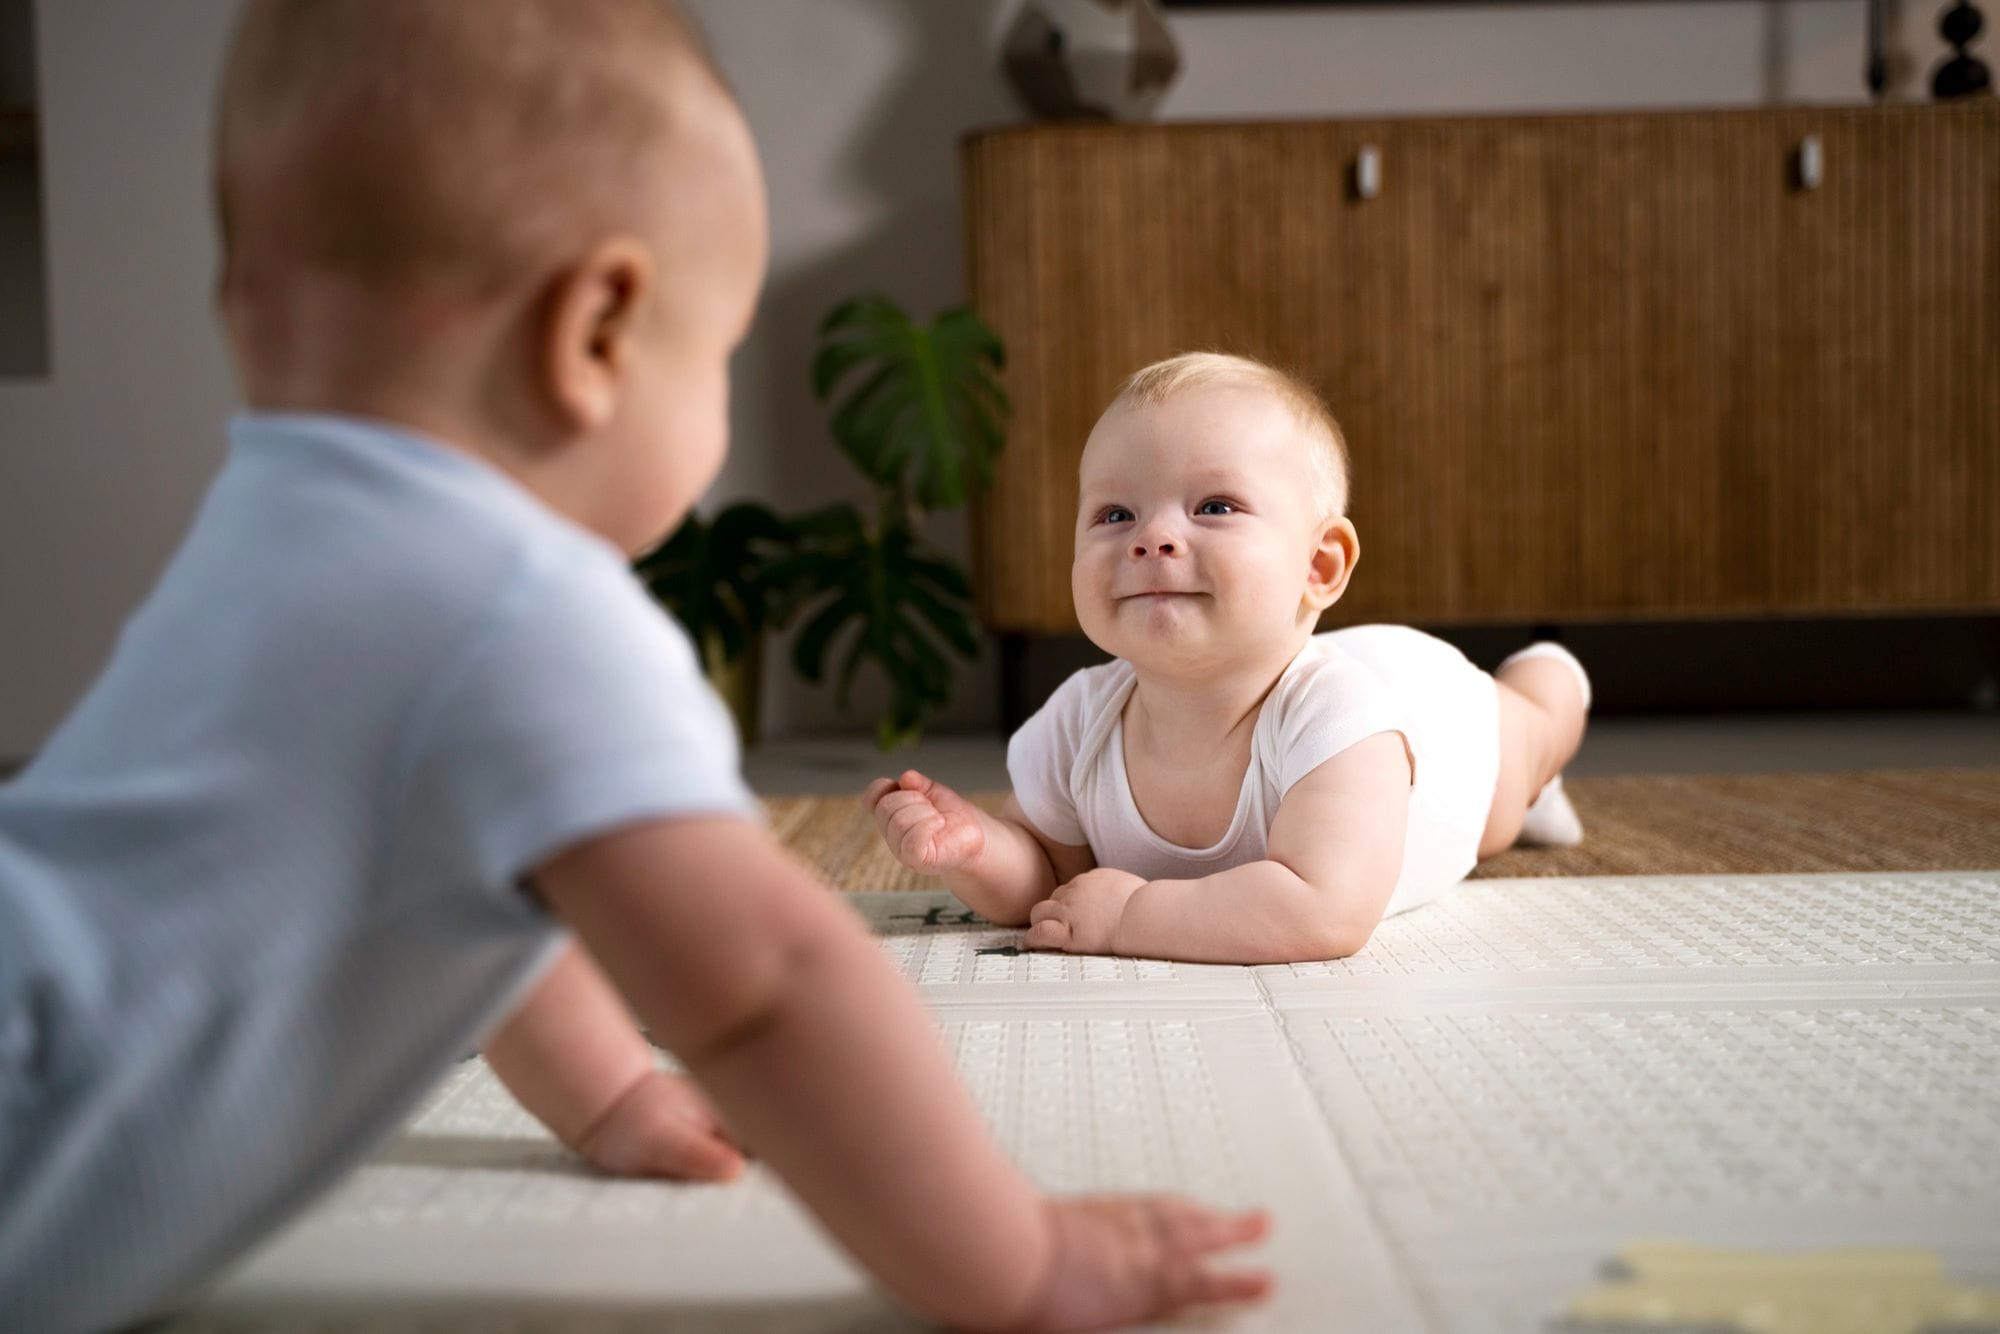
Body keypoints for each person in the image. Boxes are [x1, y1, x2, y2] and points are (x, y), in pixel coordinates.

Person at [0, 5, 1272, 1330]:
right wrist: (1015, 1259)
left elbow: (470, 884)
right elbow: (769, 979)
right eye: (716, 353)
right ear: (598, 331)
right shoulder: (523, 608)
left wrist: (606, 1090)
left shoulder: (273, 535)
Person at [868, 352, 1591, 963]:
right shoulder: (1081, 718)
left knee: (1519, 771)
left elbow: (1323, 910)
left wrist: (1133, 918)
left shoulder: (1343, 721)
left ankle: (1553, 676)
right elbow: (1053, 880)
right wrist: (975, 850)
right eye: (1115, 514)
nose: (1151, 538)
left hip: (1445, 720)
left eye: (1213, 506)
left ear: (1319, 565)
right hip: (1346, 668)